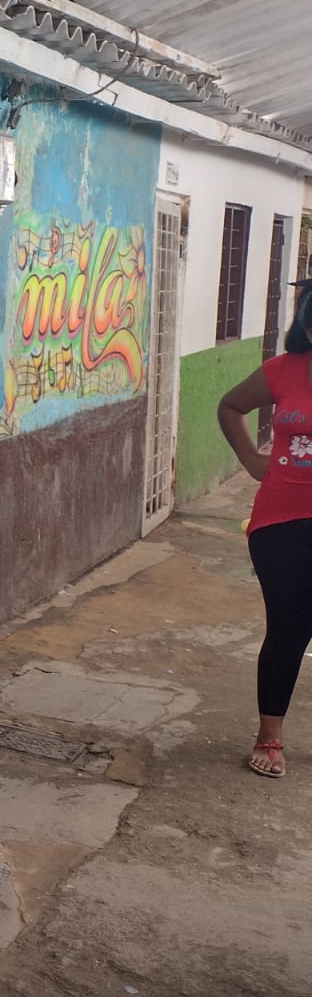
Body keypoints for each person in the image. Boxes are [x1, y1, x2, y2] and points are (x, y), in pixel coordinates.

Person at [217, 279, 312, 779]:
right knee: (289, 626)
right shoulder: (281, 371)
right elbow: (229, 406)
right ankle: (269, 736)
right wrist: (252, 459)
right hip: (280, 521)